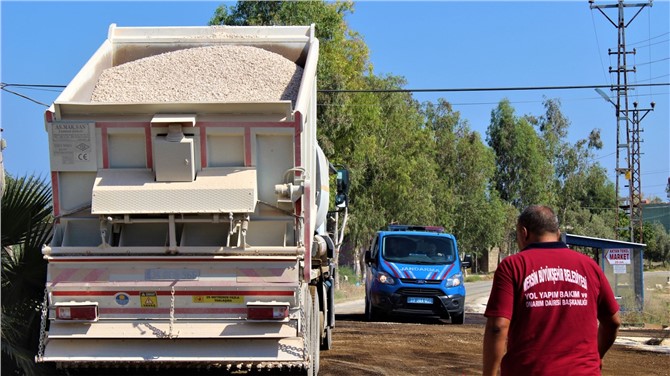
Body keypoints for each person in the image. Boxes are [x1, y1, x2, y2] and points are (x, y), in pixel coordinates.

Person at [483, 205, 621, 376]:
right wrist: (595, 357)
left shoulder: (513, 266)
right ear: (558, 232)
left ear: (523, 232)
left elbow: (497, 327)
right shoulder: (589, 266)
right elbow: (613, 322)